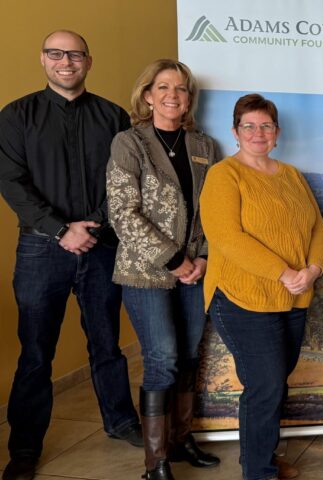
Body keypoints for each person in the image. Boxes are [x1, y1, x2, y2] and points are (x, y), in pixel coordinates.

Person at [0, 30, 141, 480]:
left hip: (101, 247)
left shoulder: (113, 116)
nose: (66, 62)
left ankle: (120, 421)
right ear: (43, 59)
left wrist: (92, 226)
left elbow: (125, 182)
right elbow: (11, 183)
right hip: (42, 250)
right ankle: (24, 448)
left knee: (107, 344)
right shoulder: (16, 116)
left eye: (75, 54)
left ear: (88, 61)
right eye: (57, 54)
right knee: (36, 353)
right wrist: (61, 229)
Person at [199, 94, 323, 480]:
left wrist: (314, 267)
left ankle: (261, 458)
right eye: (249, 126)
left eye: (266, 126)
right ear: (235, 132)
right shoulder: (224, 175)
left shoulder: (290, 175)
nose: (258, 133)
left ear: (277, 133)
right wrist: (283, 272)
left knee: (273, 382)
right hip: (242, 298)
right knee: (266, 384)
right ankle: (258, 471)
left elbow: (317, 226)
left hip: (293, 297)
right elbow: (226, 237)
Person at [106, 59, 221, 480]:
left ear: (190, 99)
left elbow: (213, 209)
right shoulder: (129, 142)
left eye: (182, 89)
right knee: (162, 359)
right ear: (148, 95)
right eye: (164, 87)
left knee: (189, 356)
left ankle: (180, 439)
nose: (174, 95)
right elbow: (123, 213)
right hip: (147, 272)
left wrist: (203, 257)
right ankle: (155, 464)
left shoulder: (203, 146)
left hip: (195, 271)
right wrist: (176, 260)